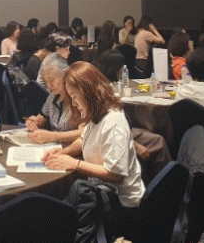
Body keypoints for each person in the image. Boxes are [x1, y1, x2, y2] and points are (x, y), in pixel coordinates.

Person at [43, 62, 145, 239]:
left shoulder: (113, 121)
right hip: (103, 197)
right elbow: (84, 139)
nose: (73, 103)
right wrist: (64, 153)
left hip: (122, 209)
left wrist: (75, 163)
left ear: (87, 92)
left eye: (74, 97)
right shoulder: (97, 115)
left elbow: (116, 174)